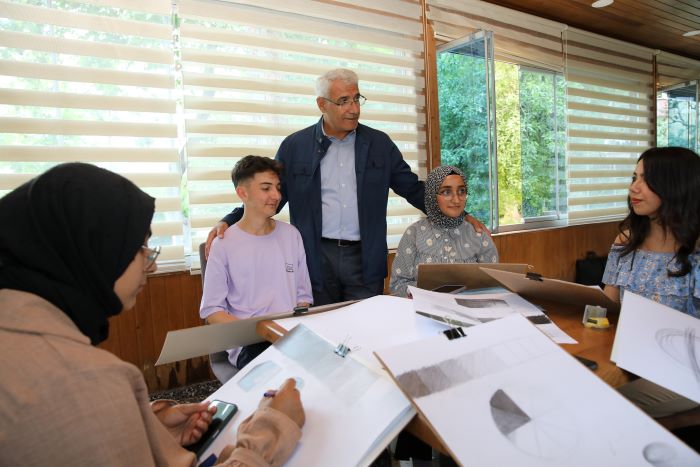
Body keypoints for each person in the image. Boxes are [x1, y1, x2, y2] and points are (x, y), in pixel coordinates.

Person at [0, 163, 304, 467]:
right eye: (141, 247)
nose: (152, 265)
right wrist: (271, 428)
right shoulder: (86, 380)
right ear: (94, 252)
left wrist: (152, 428)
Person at [206, 68, 487, 305]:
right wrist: (230, 221)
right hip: (314, 255)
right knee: (323, 332)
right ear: (322, 104)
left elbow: (412, 188)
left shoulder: (379, 144)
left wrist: (458, 214)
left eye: (356, 99)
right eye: (343, 101)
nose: (353, 109)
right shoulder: (295, 147)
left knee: (365, 332)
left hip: (363, 258)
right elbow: (272, 198)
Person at [601, 147, 700, 424]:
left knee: (606, 410)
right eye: (634, 177)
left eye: (645, 180)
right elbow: (608, 308)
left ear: (674, 186)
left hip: (686, 370)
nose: (633, 187)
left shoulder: (696, 253)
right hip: (634, 357)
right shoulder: (625, 242)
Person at [200, 156, 313, 369]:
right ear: (243, 193)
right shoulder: (223, 244)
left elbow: (303, 297)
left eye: (278, 188)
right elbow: (212, 311)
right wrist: (260, 332)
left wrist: (288, 333)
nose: (276, 196)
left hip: (290, 336)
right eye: (266, 188)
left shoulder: (291, 235)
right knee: (282, 371)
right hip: (250, 344)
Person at [389, 165, 498, 297]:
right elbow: (397, 285)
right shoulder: (414, 234)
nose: (456, 199)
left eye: (461, 191)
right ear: (431, 195)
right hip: (421, 312)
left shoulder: (479, 235)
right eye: (446, 192)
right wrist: (423, 292)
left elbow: (493, 286)